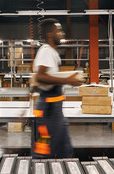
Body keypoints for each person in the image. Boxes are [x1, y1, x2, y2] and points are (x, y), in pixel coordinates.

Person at [32, 18, 83, 159]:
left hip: (54, 109)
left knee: (64, 149)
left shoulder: (52, 53)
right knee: (45, 151)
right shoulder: (46, 51)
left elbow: (41, 81)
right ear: (50, 34)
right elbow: (40, 77)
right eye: (59, 31)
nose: (62, 33)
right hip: (49, 111)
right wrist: (67, 80)